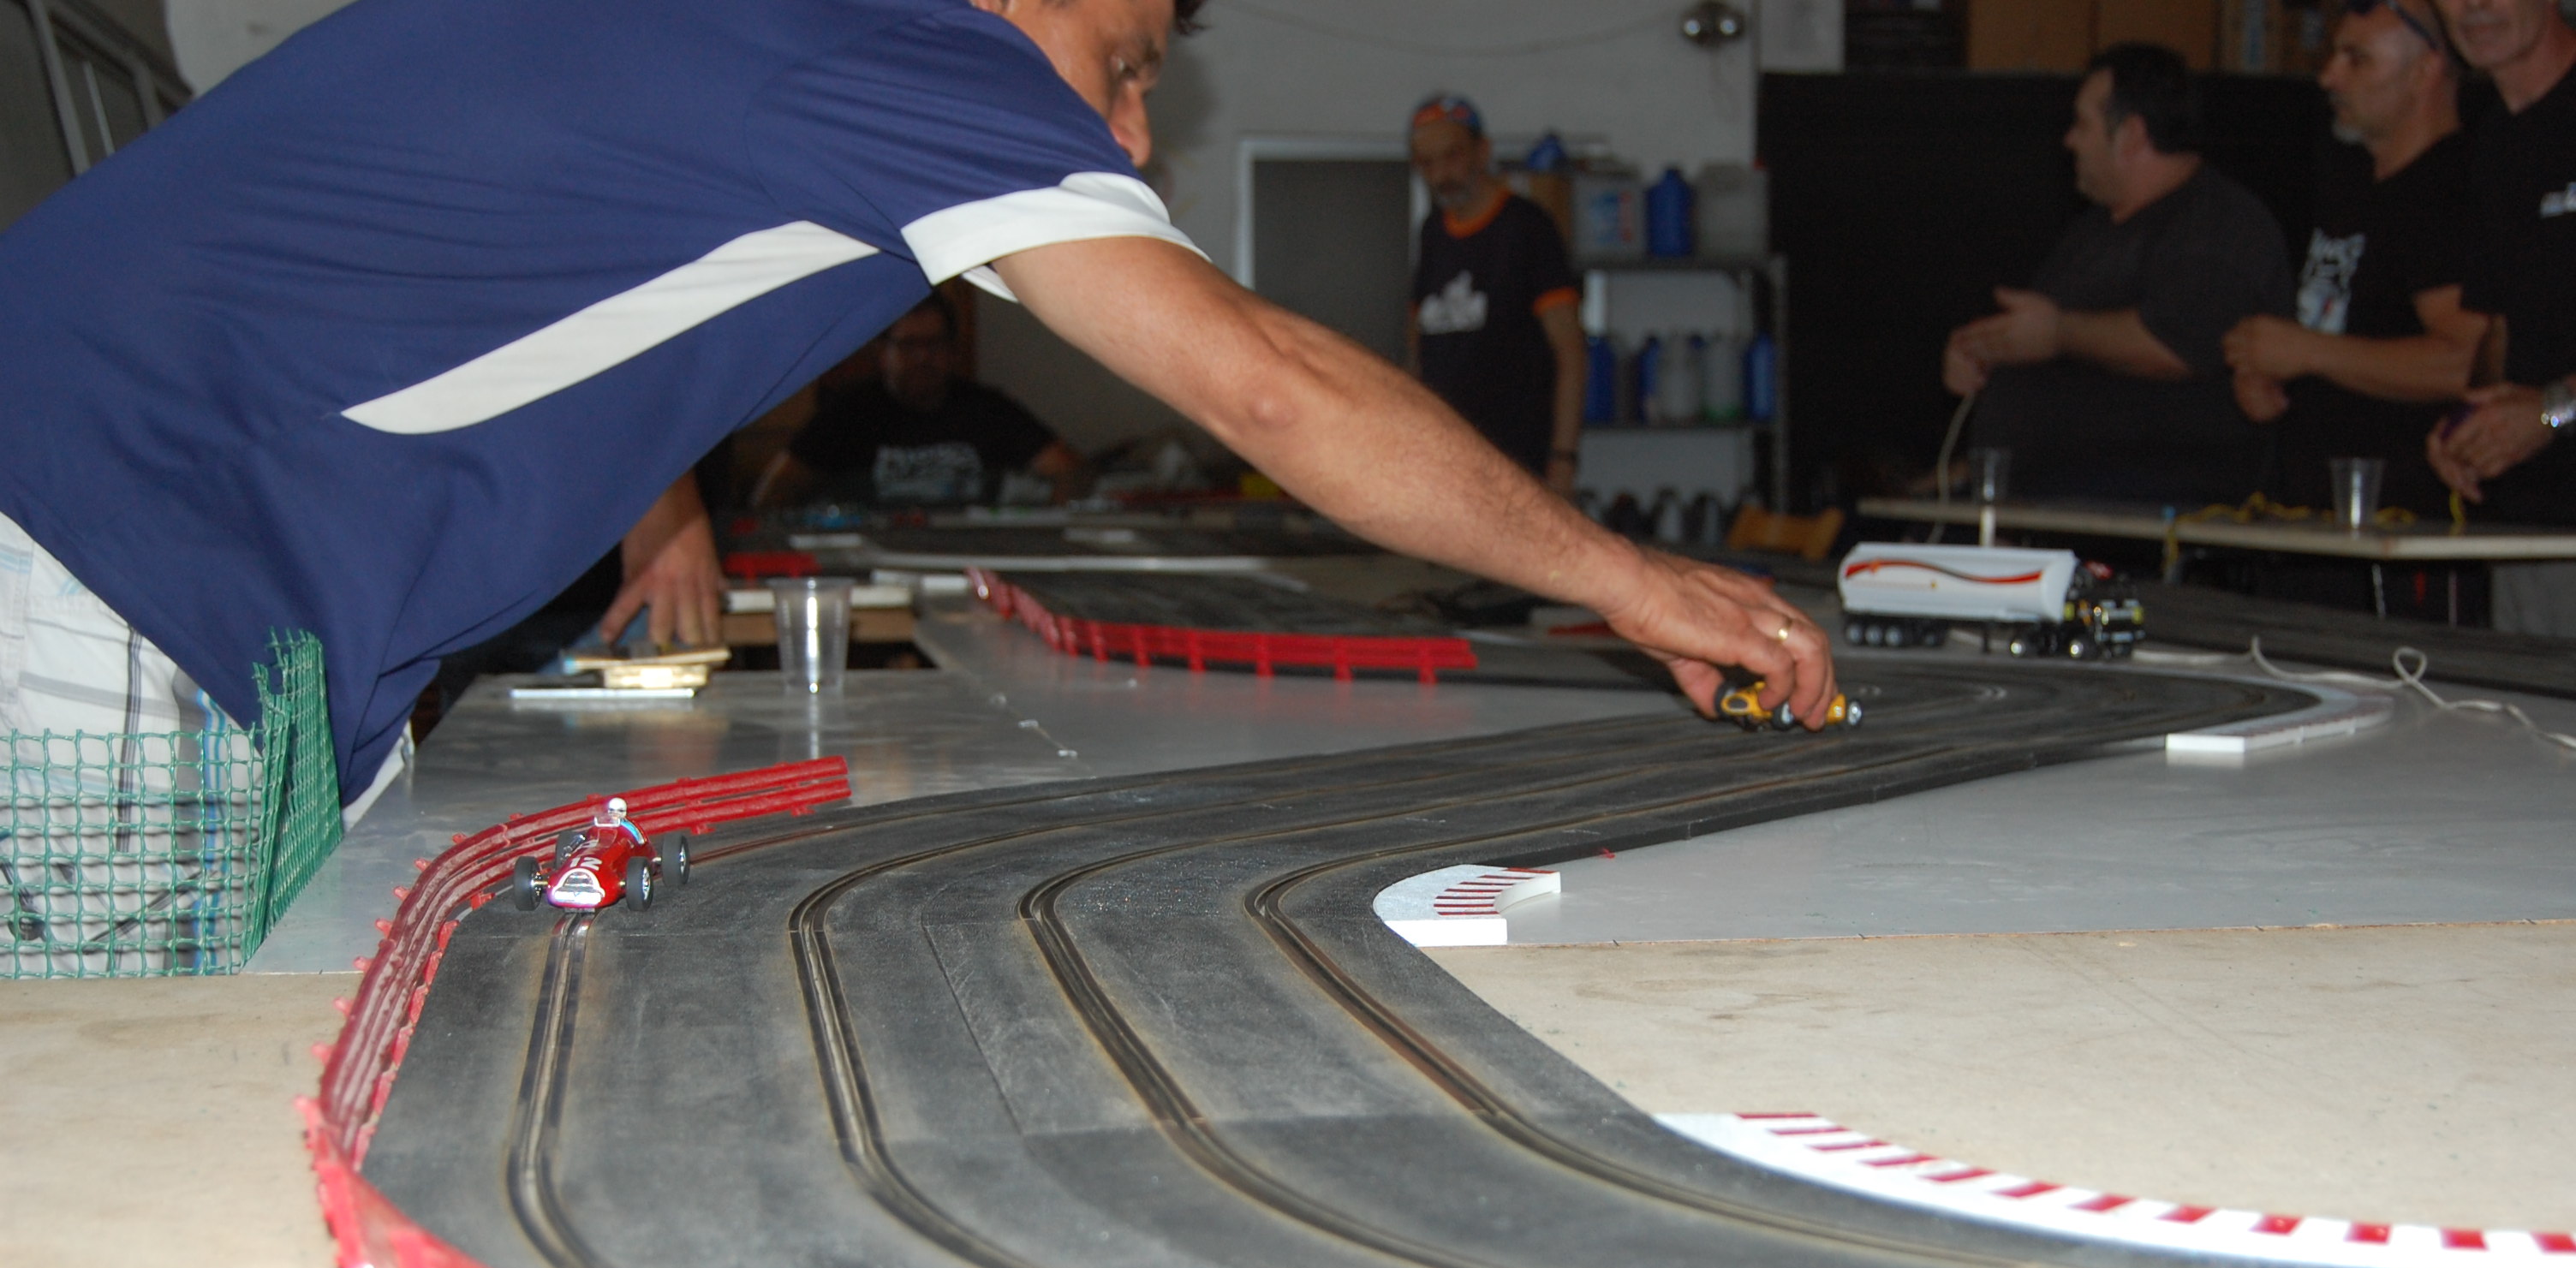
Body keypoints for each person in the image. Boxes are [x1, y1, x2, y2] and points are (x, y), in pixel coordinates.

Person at [0, 0, 1836, 836]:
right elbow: (1263, 382)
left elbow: (524, 243)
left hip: (144, 540)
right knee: (127, 1125)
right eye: (1127, 67)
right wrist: (1632, 580)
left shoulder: (765, 40)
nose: (1129, 137)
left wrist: (658, 496)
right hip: (120, 568)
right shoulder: (922, 56)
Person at [1943, 44, 2296, 502]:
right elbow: (2042, 336)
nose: (2070, 140)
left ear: (2129, 134)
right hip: (2039, 494)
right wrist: (1983, 350)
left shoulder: (2218, 224)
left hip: (2148, 500)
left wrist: (2057, 333)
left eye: (2082, 124)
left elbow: (2178, 345)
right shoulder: (2092, 231)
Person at [2221, 0, 2486, 521]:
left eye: (2357, 60)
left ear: (2424, 71)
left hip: (2406, 516)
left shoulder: (2449, 191)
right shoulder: (2351, 187)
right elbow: (2342, 334)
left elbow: (2465, 361)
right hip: (2322, 506)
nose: (2330, 78)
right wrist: (2270, 373)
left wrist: (2308, 352)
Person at [2425, 0, 2576, 634]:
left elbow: (2545, 407)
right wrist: (2471, 428)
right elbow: (2503, 322)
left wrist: (2553, 411)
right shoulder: (2494, 137)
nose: (2475, 6)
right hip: (2530, 530)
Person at [1406, 94, 1587, 497]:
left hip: (1517, 463)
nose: (1441, 174)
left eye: (1451, 156)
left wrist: (1563, 458)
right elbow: (1417, 341)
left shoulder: (1527, 227)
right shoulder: (1432, 233)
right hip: (1446, 464)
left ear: (1482, 151)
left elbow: (1570, 349)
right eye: (1427, 163)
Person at [753, 292, 1083, 509]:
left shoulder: (987, 409)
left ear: (952, 351)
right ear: (883, 352)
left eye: (934, 345)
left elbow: (1068, 470)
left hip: (970, 553)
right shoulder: (848, 413)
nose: (923, 358)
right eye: (909, 346)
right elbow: (774, 491)